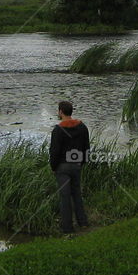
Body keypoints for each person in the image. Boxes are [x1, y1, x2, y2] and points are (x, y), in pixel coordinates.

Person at [49, 100, 90, 235]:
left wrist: (53, 167)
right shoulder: (82, 127)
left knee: (65, 197)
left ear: (61, 112)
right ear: (71, 111)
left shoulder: (58, 130)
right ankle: (83, 223)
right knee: (77, 194)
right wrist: (82, 162)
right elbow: (86, 148)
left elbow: (54, 151)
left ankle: (67, 228)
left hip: (62, 167)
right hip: (77, 164)